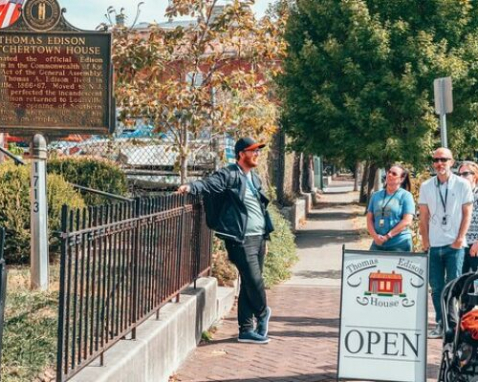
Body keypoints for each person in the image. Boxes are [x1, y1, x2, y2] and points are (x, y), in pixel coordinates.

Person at [177, 137, 273, 344]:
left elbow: (260, 208)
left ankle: (246, 330)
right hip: (241, 239)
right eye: (253, 151)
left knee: (248, 282)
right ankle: (263, 312)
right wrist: (192, 187)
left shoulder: (254, 179)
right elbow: (211, 184)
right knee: (255, 281)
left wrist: (265, 234)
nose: (257, 154)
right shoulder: (230, 174)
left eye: (258, 151)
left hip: (259, 238)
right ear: (241, 153)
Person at [418, 147, 473, 339]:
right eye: (436, 160)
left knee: (453, 286)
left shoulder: (462, 185)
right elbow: (423, 217)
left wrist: (459, 239)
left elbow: (467, 214)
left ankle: (452, 325)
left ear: (452, 162)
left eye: (443, 159)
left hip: (454, 245)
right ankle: (441, 324)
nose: (439, 163)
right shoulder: (426, 186)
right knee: (436, 286)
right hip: (434, 244)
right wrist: (425, 241)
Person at [366, 164, 415, 251]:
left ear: (401, 179)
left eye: (394, 174)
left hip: (399, 243)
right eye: (389, 172)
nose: (389, 175)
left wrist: (388, 236)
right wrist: (375, 236)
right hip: (378, 243)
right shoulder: (376, 195)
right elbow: (369, 219)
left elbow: (407, 221)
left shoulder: (406, 196)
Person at [458, 161, 478, 273]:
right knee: (460, 284)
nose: (461, 177)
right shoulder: (457, 196)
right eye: (459, 174)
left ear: (475, 175)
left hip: (475, 245)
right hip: (461, 245)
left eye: (465, 174)